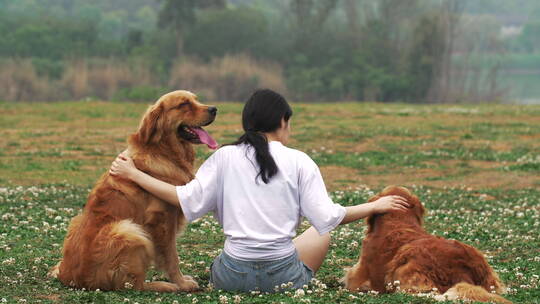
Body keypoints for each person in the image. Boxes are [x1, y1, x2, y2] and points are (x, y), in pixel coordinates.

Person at [109, 89, 409, 293]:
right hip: (285, 278)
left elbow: (185, 200)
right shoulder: (300, 160)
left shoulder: (224, 157)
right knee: (322, 231)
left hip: (230, 277)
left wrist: (134, 173)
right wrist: (374, 206)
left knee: (234, 249)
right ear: (282, 122)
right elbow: (328, 218)